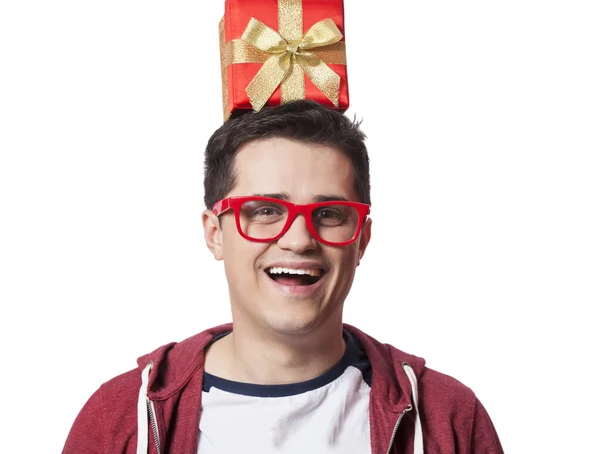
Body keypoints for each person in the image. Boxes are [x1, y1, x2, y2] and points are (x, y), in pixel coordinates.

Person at [62, 99, 504, 454]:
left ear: (361, 239)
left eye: (329, 214)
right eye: (266, 211)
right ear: (215, 234)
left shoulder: (447, 418)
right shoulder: (118, 419)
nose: (297, 239)